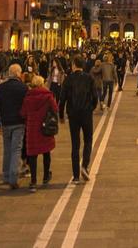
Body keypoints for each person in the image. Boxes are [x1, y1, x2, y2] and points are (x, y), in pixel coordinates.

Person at [59, 53, 97, 183]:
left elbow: (62, 99)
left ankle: (75, 176)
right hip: (86, 113)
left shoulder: (68, 79)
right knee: (88, 140)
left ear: (74, 65)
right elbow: (95, 97)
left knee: (75, 144)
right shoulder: (89, 78)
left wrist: (61, 115)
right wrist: (91, 108)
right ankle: (85, 166)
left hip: (73, 114)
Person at [0, 64, 28, 189]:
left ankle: (6, 176)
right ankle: (13, 177)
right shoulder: (23, 88)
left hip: (6, 123)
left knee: (7, 149)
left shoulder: (1, 88)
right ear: (18, 74)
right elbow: (27, 106)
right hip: (19, 122)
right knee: (16, 149)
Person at [22, 74, 57, 191]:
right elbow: (55, 109)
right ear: (42, 84)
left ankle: (33, 181)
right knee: (46, 152)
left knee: (32, 155)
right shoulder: (48, 96)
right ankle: (46, 176)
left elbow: (23, 113)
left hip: (32, 128)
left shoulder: (28, 97)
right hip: (45, 127)